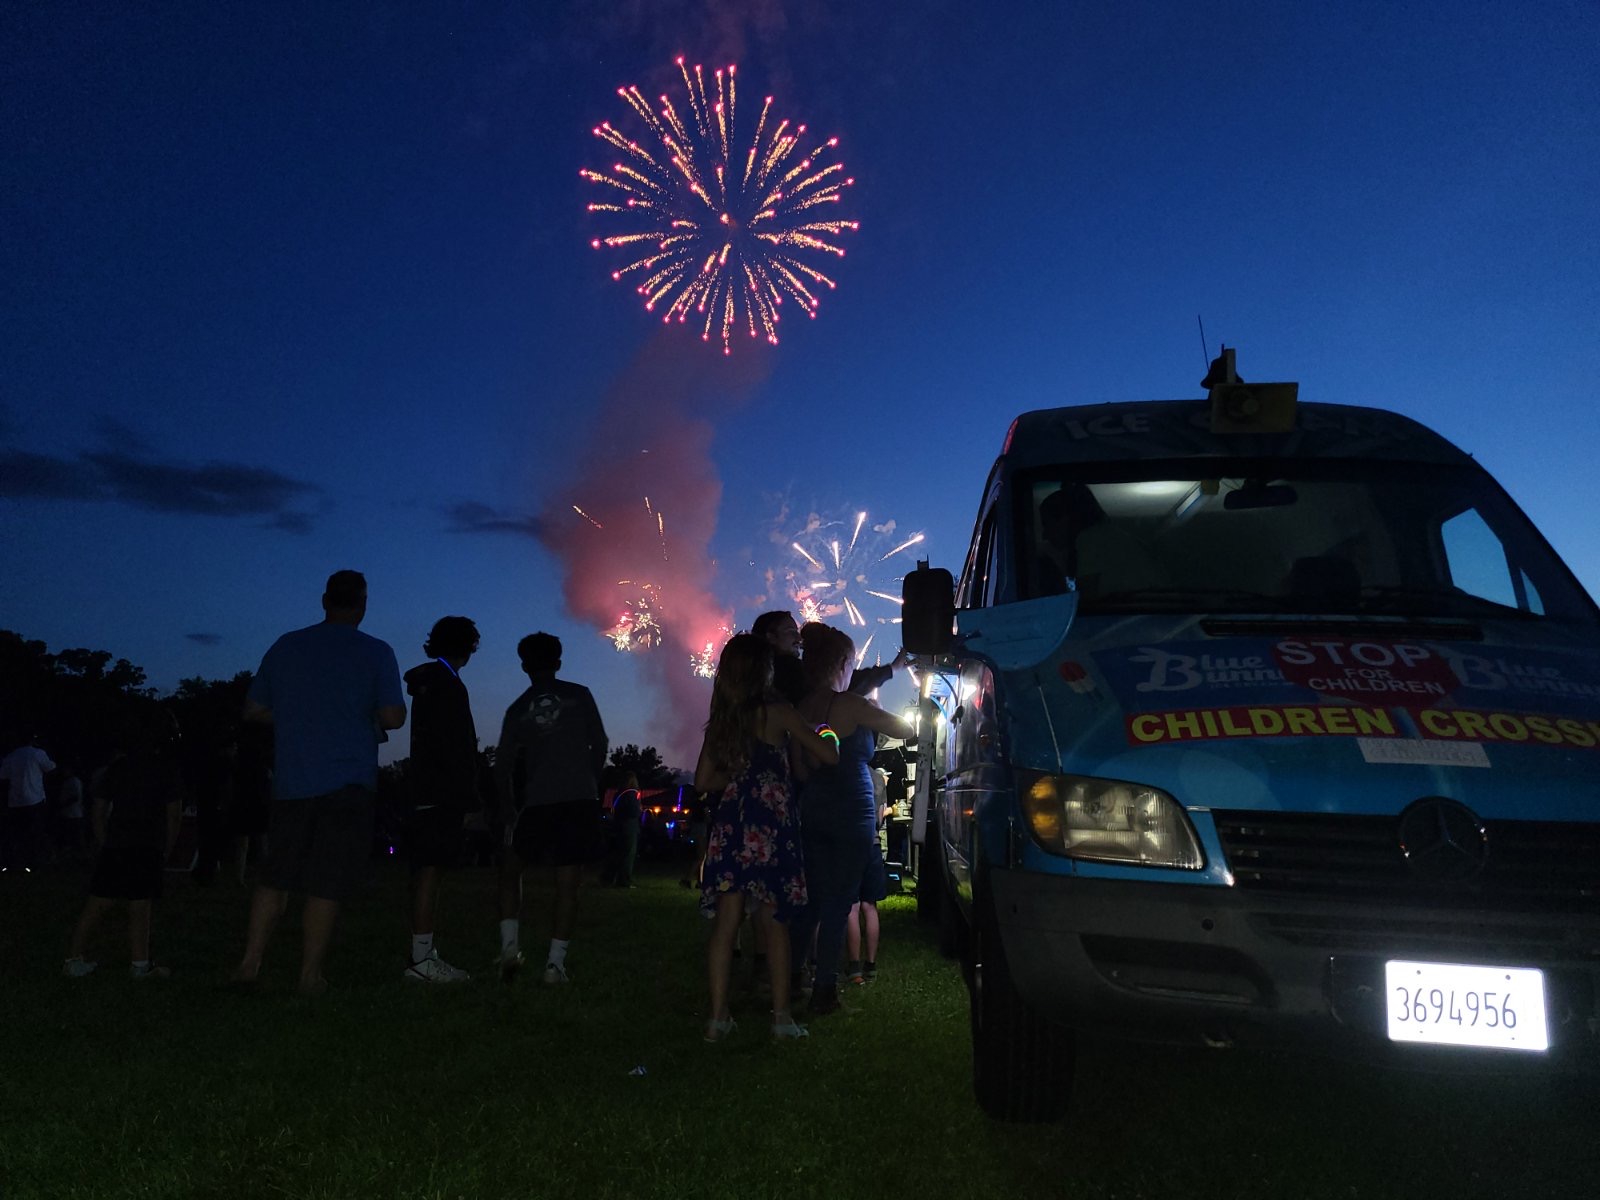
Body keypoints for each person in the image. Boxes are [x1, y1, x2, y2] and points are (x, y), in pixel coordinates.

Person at [229, 570, 406, 996]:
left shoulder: (288, 646)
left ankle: (250, 962)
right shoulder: (376, 652)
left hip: (293, 780)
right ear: (362, 607)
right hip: (348, 781)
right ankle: (309, 974)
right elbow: (393, 717)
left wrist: (295, 715)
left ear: (324, 602)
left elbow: (252, 709)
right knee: (327, 880)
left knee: (276, 875)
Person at [695, 634, 837, 1042]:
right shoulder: (781, 712)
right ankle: (780, 1019)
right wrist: (827, 730)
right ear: (764, 670)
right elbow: (828, 755)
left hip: (731, 825)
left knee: (726, 923)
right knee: (773, 921)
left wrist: (739, 776)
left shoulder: (724, 720)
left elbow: (704, 781)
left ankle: (718, 1017)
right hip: (770, 824)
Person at [792, 624, 915, 1015]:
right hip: (852, 809)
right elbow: (906, 729)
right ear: (843, 663)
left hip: (813, 807)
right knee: (840, 902)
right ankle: (825, 991)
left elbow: (799, 769)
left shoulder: (801, 708)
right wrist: (874, 711)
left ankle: (795, 977)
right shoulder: (850, 704)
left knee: (810, 902)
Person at [493, 632, 608, 985]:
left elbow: (503, 766)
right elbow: (600, 742)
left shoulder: (517, 709)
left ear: (524, 665)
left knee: (511, 872)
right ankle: (554, 966)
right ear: (558, 662)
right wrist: (588, 778)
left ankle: (510, 949)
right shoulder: (579, 694)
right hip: (578, 799)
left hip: (536, 801)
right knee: (568, 883)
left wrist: (509, 810)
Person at [64, 704, 184, 979]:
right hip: (147, 845)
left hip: (116, 844)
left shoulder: (118, 767)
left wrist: (104, 840)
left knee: (97, 903)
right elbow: (174, 815)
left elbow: (98, 807)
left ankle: (73, 959)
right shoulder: (166, 769)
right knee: (140, 905)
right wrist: (167, 849)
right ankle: (139, 965)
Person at [400, 616, 481, 984]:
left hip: (423, 787)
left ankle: (422, 951)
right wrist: (468, 798)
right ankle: (422, 960)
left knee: (424, 871)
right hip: (441, 792)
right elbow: (457, 746)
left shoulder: (429, 683)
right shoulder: (448, 685)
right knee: (432, 870)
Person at [844, 767, 892, 985]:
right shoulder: (878, 778)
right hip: (871, 844)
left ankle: (854, 967)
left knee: (851, 907)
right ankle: (871, 964)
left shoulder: (842, 771)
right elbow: (880, 818)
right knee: (869, 906)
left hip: (849, 845)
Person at [2, 730, 56, 872]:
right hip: (35, 799)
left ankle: (18, 862)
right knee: (35, 832)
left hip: (15, 801)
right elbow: (50, 767)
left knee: (18, 833)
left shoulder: (12, 756)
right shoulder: (37, 753)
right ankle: (34, 862)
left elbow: (3, 775)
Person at [605, 772, 642, 888]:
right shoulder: (633, 794)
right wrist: (639, 809)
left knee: (618, 853)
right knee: (628, 853)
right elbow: (634, 811)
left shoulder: (618, 794)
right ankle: (624, 880)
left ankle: (608, 877)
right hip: (629, 826)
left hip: (619, 825)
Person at [54, 760, 88, 859]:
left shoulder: (74, 781)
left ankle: (82, 856)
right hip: (70, 813)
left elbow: (75, 797)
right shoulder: (70, 781)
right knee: (72, 836)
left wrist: (63, 805)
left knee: (77, 836)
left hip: (74, 814)